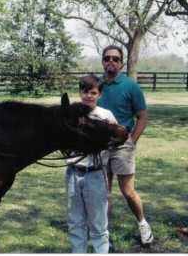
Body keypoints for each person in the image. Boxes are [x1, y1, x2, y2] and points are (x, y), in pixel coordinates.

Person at [97, 45, 153, 245]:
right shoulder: (97, 85)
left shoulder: (130, 86)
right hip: (99, 146)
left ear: (121, 63)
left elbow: (142, 117)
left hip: (122, 146)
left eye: (115, 58)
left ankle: (143, 224)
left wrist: (132, 141)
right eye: (107, 58)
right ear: (102, 61)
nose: (110, 61)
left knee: (128, 191)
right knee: (104, 193)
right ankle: (104, 234)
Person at [65, 74, 117, 253]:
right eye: (85, 91)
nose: (88, 96)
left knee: (98, 224)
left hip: (95, 173)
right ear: (80, 92)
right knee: (75, 221)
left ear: (100, 94)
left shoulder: (105, 116)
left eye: (93, 92)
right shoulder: (71, 115)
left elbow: (115, 142)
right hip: (73, 172)